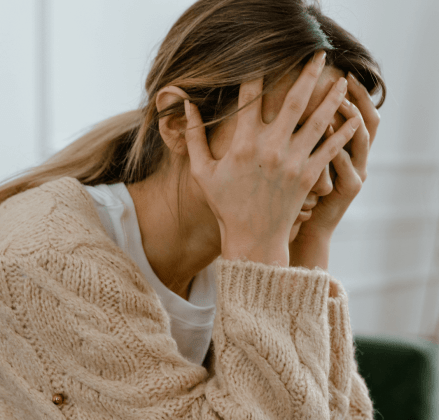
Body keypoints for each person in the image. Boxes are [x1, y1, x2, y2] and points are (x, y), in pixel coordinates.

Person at [0, 0, 385, 418]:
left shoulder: (243, 249)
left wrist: (310, 245)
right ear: (180, 122)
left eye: (335, 146)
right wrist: (268, 263)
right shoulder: (44, 261)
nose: (322, 180)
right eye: (292, 135)